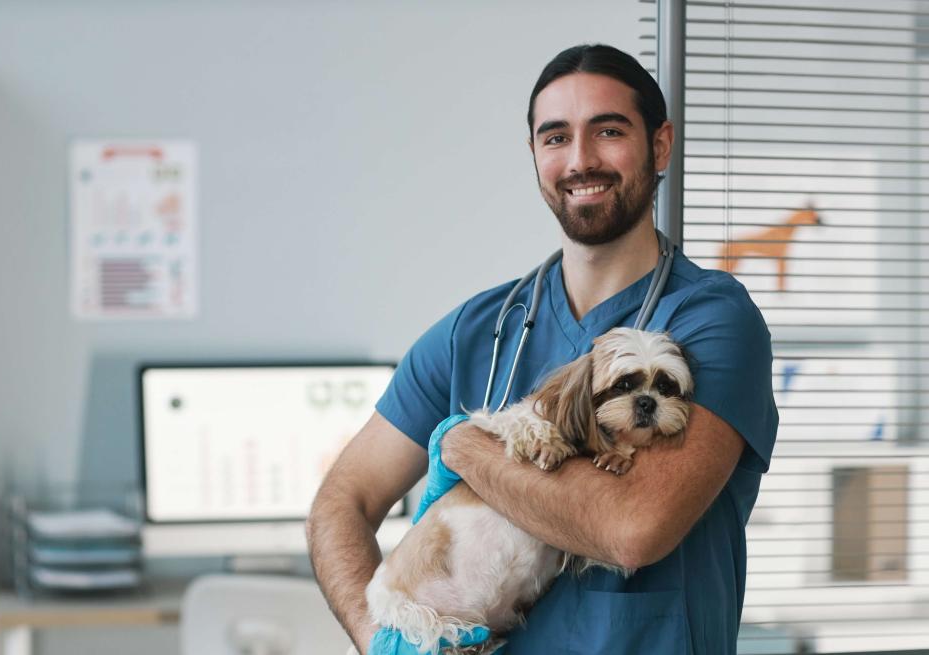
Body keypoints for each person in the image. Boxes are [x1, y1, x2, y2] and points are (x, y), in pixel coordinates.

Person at [307, 43, 778, 654]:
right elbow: (342, 500)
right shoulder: (477, 330)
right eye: (555, 137)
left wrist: (463, 446)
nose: (581, 160)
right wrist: (380, 638)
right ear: (534, 154)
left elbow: (632, 530)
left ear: (659, 146)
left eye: (608, 131)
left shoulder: (712, 322)